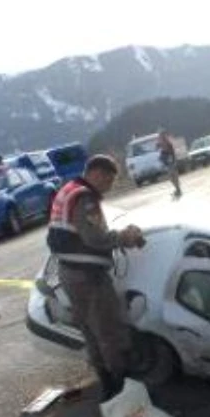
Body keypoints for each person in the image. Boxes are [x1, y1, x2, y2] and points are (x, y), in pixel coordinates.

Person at [47, 154, 146, 401]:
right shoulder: (85, 197)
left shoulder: (69, 189)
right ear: (97, 174)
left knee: (91, 332)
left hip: (71, 272)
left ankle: (108, 386)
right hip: (87, 277)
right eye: (109, 181)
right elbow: (94, 238)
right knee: (108, 331)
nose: (109, 187)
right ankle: (121, 386)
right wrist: (124, 238)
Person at [156, 128, 182, 198]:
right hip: (168, 161)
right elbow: (158, 147)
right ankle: (178, 189)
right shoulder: (162, 142)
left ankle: (178, 189)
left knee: (172, 176)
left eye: (161, 135)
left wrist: (174, 160)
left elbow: (172, 152)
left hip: (171, 161)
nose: (160, 137)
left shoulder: (168, 142)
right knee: (172, 177)